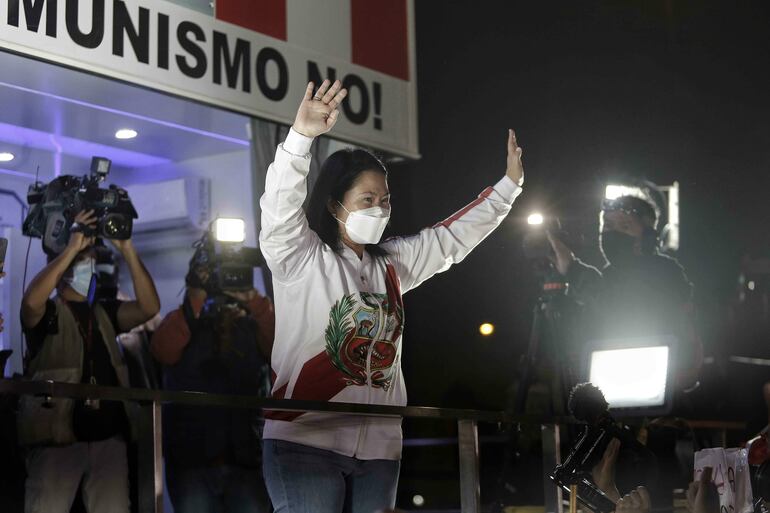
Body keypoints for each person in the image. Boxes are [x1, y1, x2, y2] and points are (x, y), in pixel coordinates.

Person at [258, 78, 525, 513]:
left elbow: (451, 238)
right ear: (333, 205)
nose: (380, 209)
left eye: (385, 200)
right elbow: (279, 207)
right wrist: (300, 139)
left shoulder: (392, 265)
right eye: (367, 198)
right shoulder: (301, 257)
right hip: (303, 438)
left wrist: (507, 190)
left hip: (379, 448)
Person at [18, 209, 160, 513]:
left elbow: (149, 307)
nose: (89, 267)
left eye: (90, 260)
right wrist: (71, 248)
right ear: (64, 269)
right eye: (83, 262)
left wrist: (127, 249)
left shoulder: (104, 313)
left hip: (108, 438)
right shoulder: (49, 314)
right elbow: (31, 302)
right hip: (57, 439)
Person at [151, 234, 274, 513]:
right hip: (192, 460)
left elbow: (281, 350)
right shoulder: (184, 320)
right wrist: (195, 296)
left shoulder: (253, 322)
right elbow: (162, 351)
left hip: (246, 456)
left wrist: (252, 299)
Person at [547, 194, 702, 391]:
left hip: (656, 389)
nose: (613, 233)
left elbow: (622, 307)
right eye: (608, 225)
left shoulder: (666, 272)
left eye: (625, 226)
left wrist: (573, 268)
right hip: (611, 387)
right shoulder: (609, 276)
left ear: (647, 237)